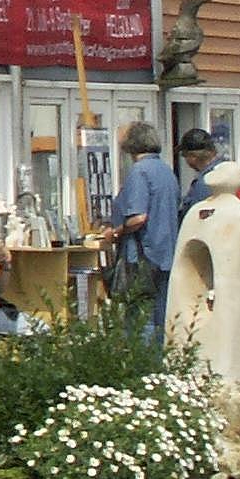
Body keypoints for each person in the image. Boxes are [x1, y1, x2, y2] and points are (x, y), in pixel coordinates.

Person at [107, 120, 179, 341]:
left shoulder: (140, 172)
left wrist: (116, 232)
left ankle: (143, 368)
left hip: (142, 256)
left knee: (140, 319)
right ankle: (158, 369)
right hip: (167, 253)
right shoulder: (167, 171)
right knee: (160, 318)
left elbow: (138, 217)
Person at [177, 127, 218, 219]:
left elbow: (195, 217)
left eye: (184, 155)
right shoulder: (225, 171)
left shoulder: (205, 182)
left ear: (193, 156)